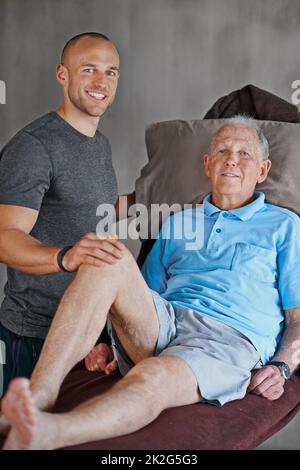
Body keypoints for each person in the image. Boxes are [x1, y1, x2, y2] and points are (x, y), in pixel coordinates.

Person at [2, 116, 300, 450]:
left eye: (244, 153)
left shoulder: (285, 227)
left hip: (224, 340)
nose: (232, 158)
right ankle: (37, 398)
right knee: (109, 255)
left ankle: (46, 432)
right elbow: (138, 295)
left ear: (262, 170)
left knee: (153, 375)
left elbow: (298, 318)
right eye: (223, 150)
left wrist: (283, 367)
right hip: (166, 322)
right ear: (207, 164)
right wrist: (109, 341)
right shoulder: (179, 222)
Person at [0, 32, 126, 396]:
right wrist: (65, 257)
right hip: (35, 336)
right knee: (25, 437)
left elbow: (85, 208)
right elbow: (5, 236)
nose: (101, 82)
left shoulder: (98, 143)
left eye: (111, 72)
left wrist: (165, 201)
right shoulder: (34, 147)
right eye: (89, 69)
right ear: (62, 74)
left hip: (87, 331)